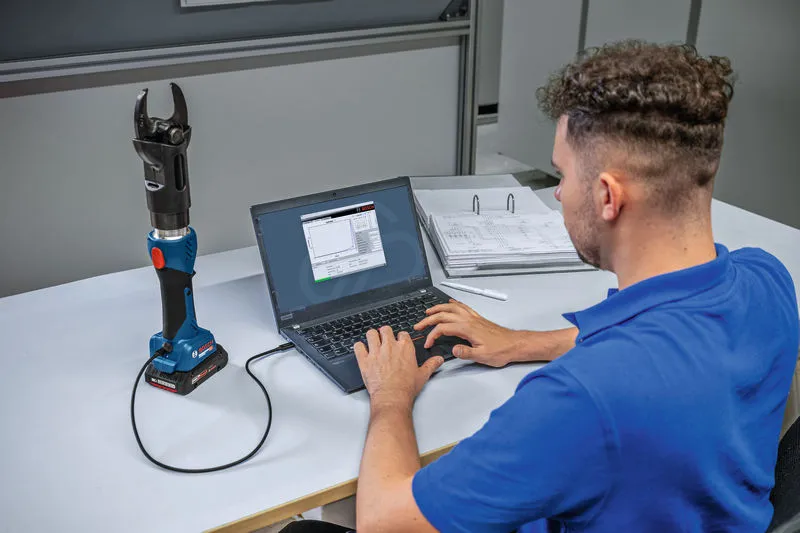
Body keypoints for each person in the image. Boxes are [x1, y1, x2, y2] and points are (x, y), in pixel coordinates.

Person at [287, 40, 800, 532]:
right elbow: (674, 345)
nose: (557, 194)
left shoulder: (580, 400)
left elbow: (384, 523)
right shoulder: (767, 280)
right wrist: (522, 343)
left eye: (561, 174)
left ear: (606, 196)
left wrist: (392, 396)